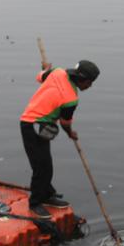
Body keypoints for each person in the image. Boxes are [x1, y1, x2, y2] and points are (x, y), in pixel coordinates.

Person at [20, 59, 99, 218]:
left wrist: (46, 70)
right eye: (90, 83)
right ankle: (35, 203)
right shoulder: (71, 99)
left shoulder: (57, 72)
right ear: (83, 80)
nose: (89, 86)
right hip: (33, 125)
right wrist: (70, 133)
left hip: (40, 125)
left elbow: (40, 77)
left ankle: (47, 194)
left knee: (45, 164)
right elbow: (65, 122)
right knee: (41, 167)